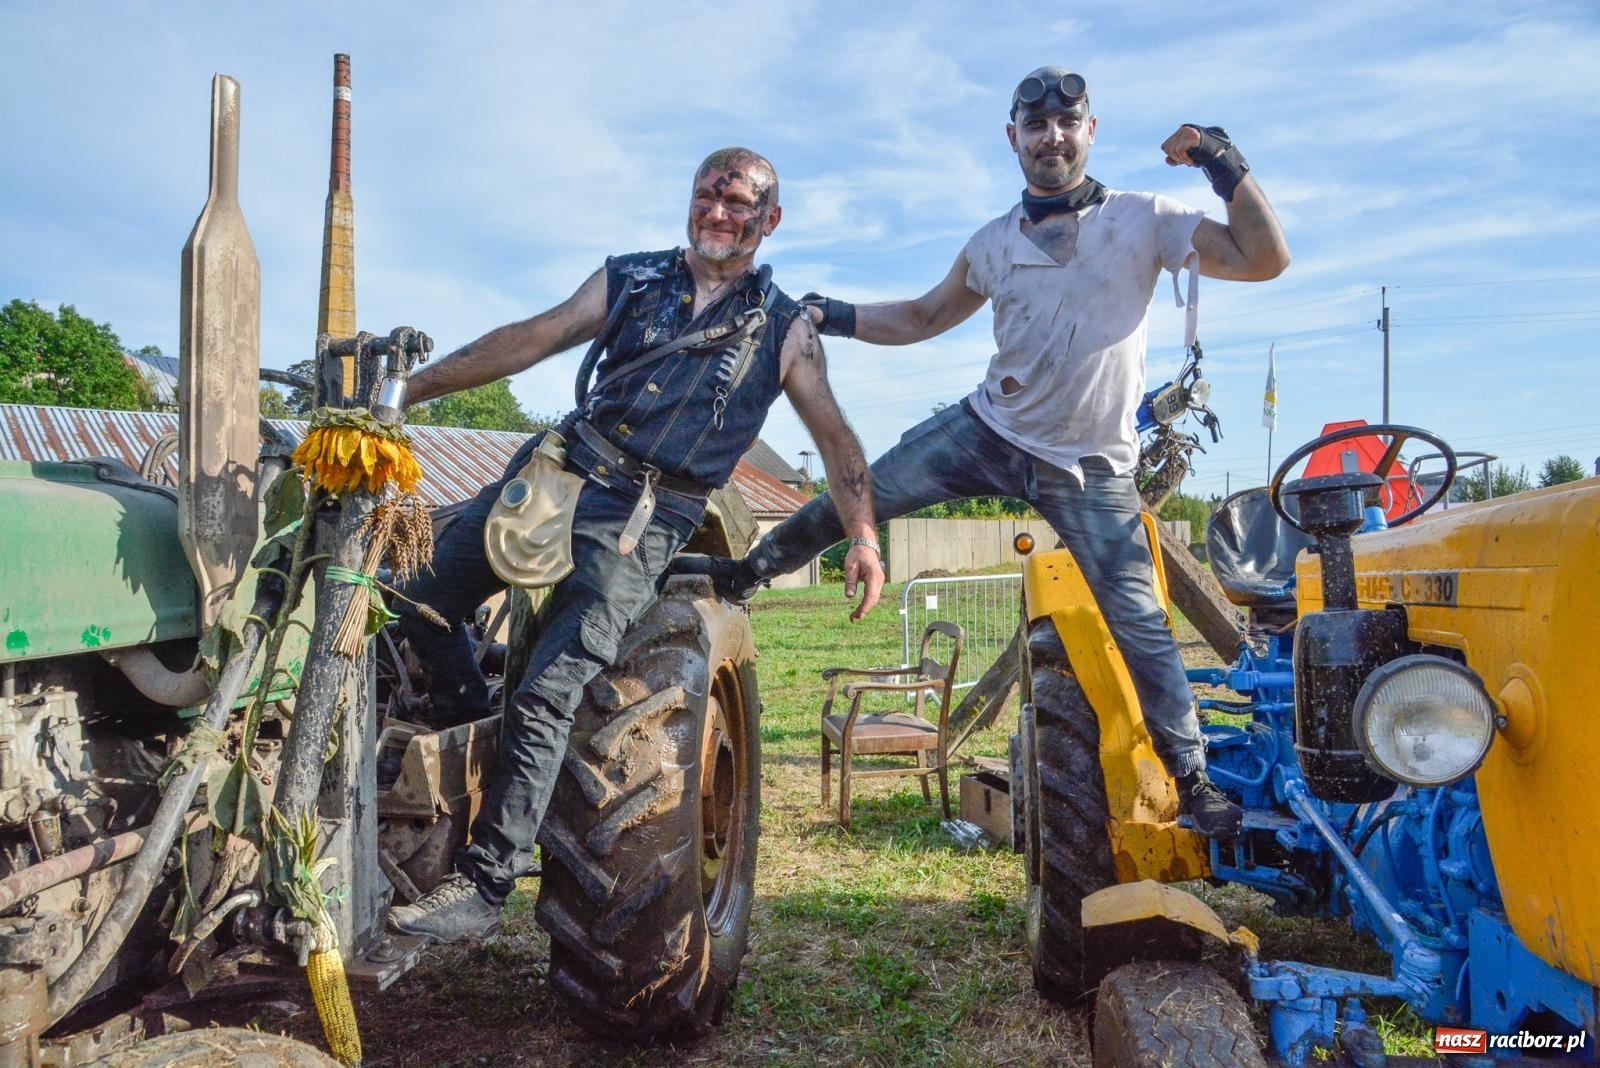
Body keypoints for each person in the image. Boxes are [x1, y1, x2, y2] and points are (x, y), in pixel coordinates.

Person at [677, 68, 1289, 838]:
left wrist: (1220, 160)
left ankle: (1193, 781)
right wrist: (833, 314)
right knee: (862, 491)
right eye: (1035, 128)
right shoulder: (993, 242)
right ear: (1014, 139)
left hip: (1091, 466)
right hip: (989, 432)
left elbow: (1266, 258)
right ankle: (747, 572)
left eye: (1068, 124)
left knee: (1141, 623)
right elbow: (925, 315)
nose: (1052, 138)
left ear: (1090, 131)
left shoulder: (1148, 220)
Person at [387, 147, 883, 942]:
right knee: (409, 596)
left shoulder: (787, 331)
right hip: (558, 475)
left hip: (642, 518)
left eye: (739, 203)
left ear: (770, 221)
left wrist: (863, 537)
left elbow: (836, 442)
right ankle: (478, 737)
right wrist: (409, 389)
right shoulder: (632, 277)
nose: (719, 213)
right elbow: (533, 336)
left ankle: (486, 884)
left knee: (554, 687)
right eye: (707, 196)